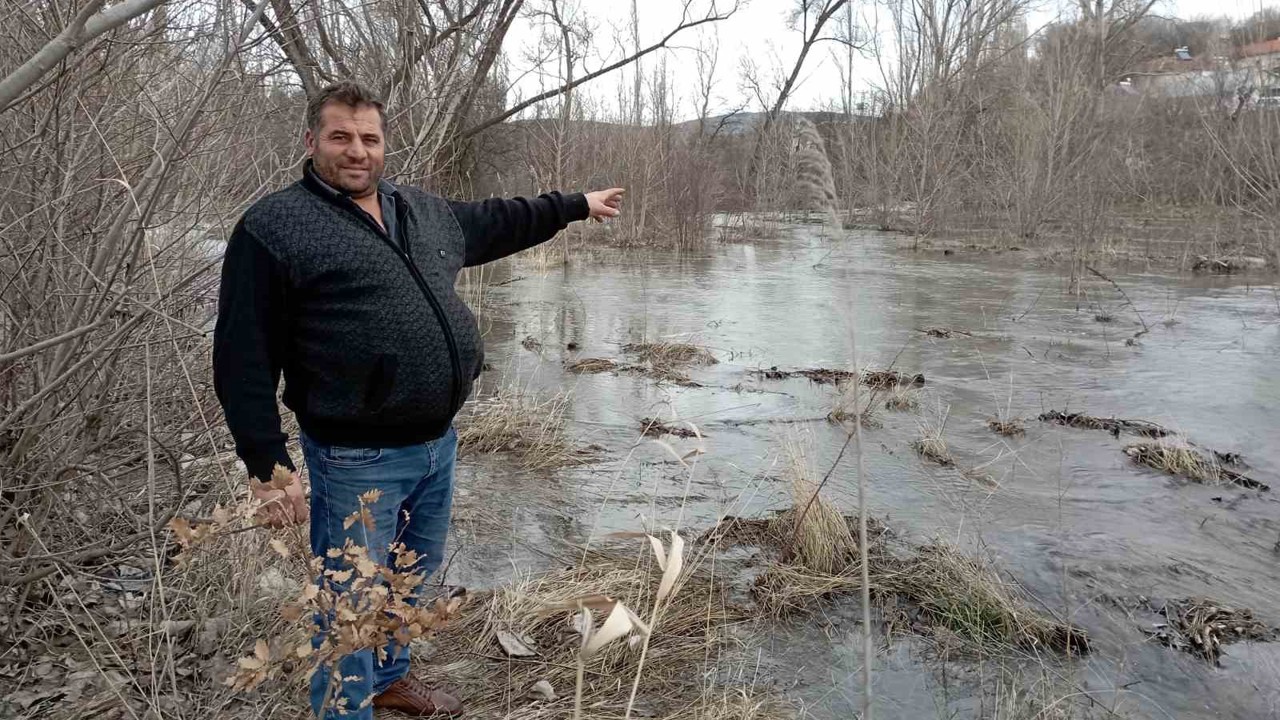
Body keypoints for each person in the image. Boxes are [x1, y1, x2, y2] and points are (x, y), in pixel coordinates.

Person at [213, 80, 623, 719]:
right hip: (356, 457)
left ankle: (388, 677)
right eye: (340, 136)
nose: (357, 151)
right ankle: (345, 710)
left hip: (437, 444)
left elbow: (497, 220)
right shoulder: (275, 227)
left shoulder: (418, 209)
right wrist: (267, 464)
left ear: (384, 144)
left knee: (411, 578)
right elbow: (242, 353)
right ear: (312, 140)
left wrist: (573, 205)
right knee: (349, 597)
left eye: (369, 138)